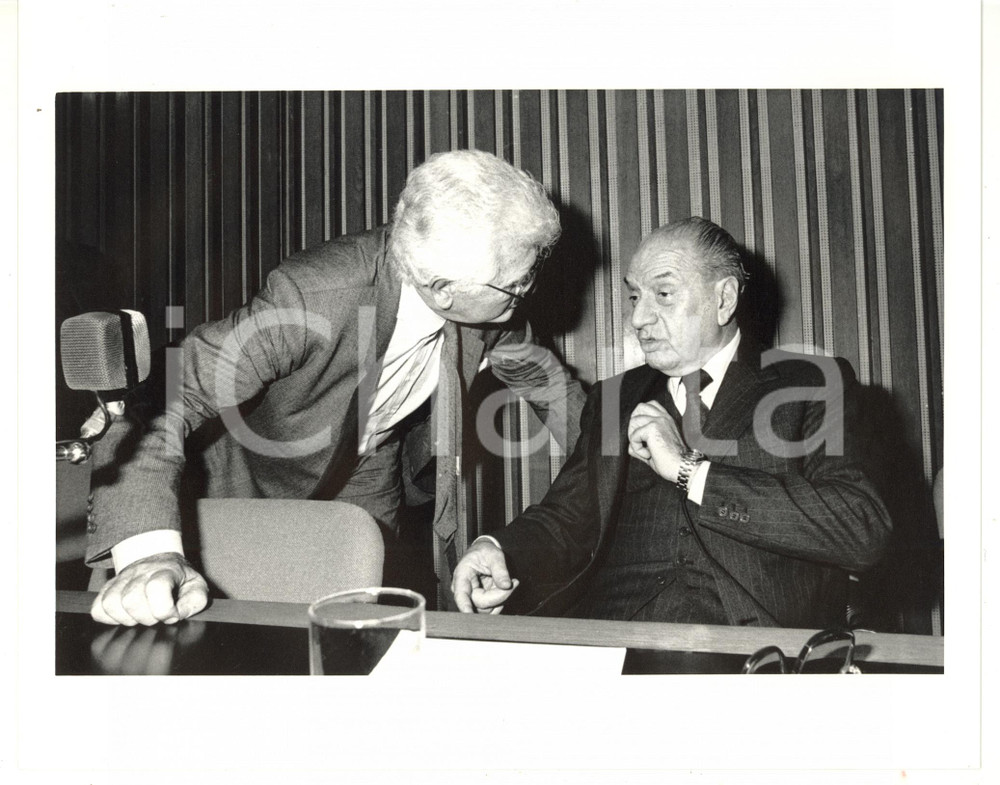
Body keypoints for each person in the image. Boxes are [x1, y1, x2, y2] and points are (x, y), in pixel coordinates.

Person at [86, 149, 585, 626]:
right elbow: (164, 403)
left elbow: (550, 386)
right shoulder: (314, 297)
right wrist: (147, 554)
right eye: (517, 283)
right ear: (443, 290)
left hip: (368, 464)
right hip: (249, 470)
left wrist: (621, 449)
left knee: (366, 617)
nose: (528, 292)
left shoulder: (493, 306)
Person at [452, 217, 892, 629]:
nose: (638, 319)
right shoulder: (614, 398)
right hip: (620, 638)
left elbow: (861, 529)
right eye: (634, 297)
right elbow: (566, 518)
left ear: (723, 299)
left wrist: (690, 470)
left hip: (755, 650)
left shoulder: (810, 384)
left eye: (662, 295)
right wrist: (498, 548)